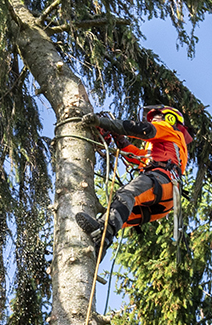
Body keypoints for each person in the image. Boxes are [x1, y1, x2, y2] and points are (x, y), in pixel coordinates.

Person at [75, 105, 192, 255]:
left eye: (156, 116)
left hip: (162, 181)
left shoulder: (168, 129)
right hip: (164, 200)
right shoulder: (165, 149)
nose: (153, 120)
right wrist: (119, 139)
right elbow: (135, 155)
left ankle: (103, 232)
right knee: (116, 214)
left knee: (126, 194)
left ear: (169, 118)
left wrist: (101, 122)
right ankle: (97, 249)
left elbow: (141, 129)